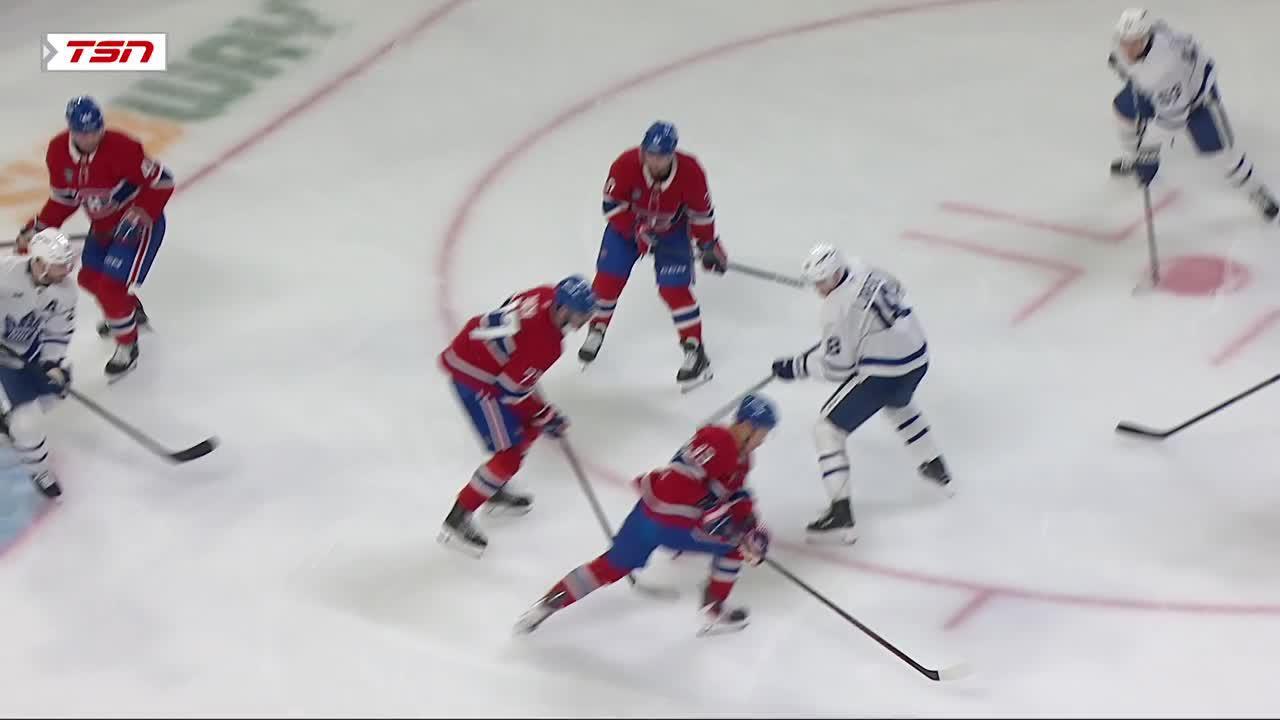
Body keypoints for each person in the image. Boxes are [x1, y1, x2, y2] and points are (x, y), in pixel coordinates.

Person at [514, 395, 776, 637]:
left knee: (610, 566)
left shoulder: (741, 456)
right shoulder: (717, 441)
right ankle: (713, 610)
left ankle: (549, 602)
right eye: (762, 433)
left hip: (646, 517)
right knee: (733, 548)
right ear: (747, 426)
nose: (763, 440)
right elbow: (678, 482)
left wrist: (750, 525)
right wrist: (720, 520)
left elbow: (733, 493)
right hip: (673, 522)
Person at [771, 244, 950, 545]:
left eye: (822, 281)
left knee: (827, 430)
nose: (818, 289)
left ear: (836, 273)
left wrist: (797, 366)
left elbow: (838, 368)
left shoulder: (835, 310)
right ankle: (934, 464)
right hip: (917, 357)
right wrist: (861, 334)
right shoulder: (862, 266)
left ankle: (841, 511)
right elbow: (898, 290)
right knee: (897, 403)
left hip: (886, 371)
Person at [16, 95, 174, 379]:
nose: (91, 138)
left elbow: (163, 182)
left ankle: (127, 346)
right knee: (89, 279)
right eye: (83, 132)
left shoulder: (123, 148)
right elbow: (64, 200)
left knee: (110, 289)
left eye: (96, 130)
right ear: (71, 130)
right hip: (102, 227)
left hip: (137, 229)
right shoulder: (58, 152)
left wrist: (140, 213)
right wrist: (38, 227)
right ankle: (130, 311)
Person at [437, 275, 596, 556]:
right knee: (509, 456)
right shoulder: (547, 344)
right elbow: (510, 392)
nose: (584, 321)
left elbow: (509, 304)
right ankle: (458, 518)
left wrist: (516, 359)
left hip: (479, 358)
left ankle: (492, 487)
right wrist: (546, 415)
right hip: (476, 378)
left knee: (529, 427)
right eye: (580, 315)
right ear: (563, 309)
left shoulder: (545, 293)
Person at [578, 121, 728, 392]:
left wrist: (707, 244)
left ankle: (694, 349)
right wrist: (635, 229)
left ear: (672, 154)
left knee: (674, 289)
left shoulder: (691, 171)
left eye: (661, 156)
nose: (654, 161)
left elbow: (700, 213)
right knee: (608, 280)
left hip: (671, 231)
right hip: (626, 229)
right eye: (650, 154)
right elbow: (611, 206)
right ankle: (597, 328)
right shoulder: (626, 164)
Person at [1108, 8, 1278, 220]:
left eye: (1134, 42)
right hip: (1162, 89)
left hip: (1197, 100)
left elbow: (1174, 120)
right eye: (1124, 41)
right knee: (1123, 110)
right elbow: (1128, 64)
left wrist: (1147, 150)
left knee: (1221, 152)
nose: (1128, 48)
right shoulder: (1148, 36)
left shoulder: (1162, 68)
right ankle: (1139, 162)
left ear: (1146, 37)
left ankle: (1255, 190)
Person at [0, 229, 79, 498]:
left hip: (29, 353)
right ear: (40, 263)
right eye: (59, 265)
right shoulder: (5, 272)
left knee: (52, 396)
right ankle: (38, 469)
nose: (66, 271)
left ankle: (7, 416)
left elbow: (59, 330)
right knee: (27, 423)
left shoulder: (65, 292)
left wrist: (52, 363)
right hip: (4, 357)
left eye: (66, 264)